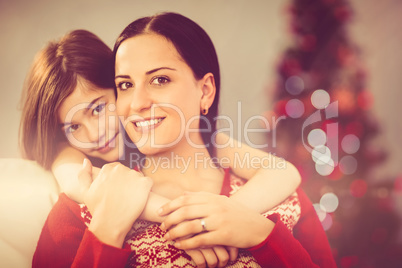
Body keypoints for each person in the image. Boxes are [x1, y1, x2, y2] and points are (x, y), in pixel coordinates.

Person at [20, 29, 305, 267]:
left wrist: (222, 218)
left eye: (98, 109)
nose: (94, 134)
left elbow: (283, 172)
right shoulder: (74, 176)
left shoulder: (202, 142)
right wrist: (191, 225)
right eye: (73, 127)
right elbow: (84, 184)